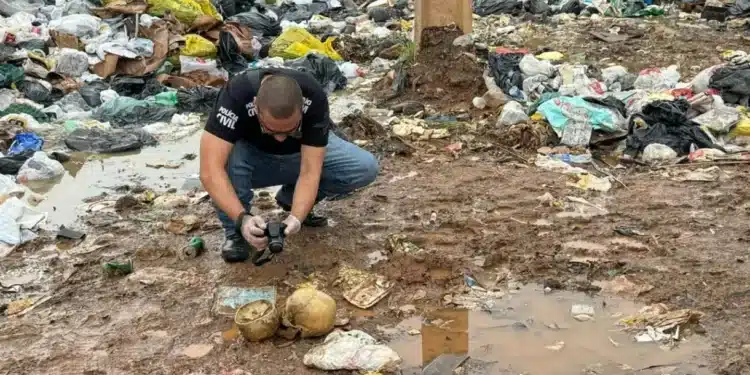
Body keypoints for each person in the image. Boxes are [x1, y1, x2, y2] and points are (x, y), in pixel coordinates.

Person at [200, 68, 379, 263]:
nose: (279, 138)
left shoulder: (312, 94)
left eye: (290, 130)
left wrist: (296, 217)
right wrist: (242, 219)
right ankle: (234, 232)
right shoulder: (236, 94)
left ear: (301, 107)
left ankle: (291, 198)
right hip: (251, 158)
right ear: (255, 107)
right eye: (270, 129)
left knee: (364, 166)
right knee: (222, 159)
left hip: (299, 154)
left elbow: (310, 171)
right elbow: (210, 171)